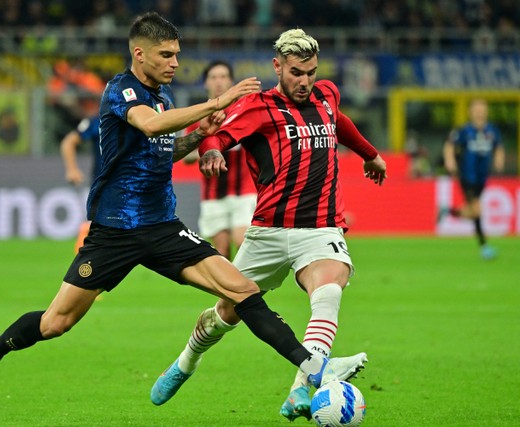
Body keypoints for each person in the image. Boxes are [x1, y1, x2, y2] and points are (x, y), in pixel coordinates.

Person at [0, 13, 367, 403]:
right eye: (166, 55)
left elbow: (165, 149)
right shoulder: (121, 91)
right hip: (114, 231)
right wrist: (217, 103)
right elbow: (148, 124)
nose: (174, 63)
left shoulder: (163, 98)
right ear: (139, 53)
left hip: (163, 227)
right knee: (57, 322)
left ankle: (314, 368)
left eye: (177, 55)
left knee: (243, 291)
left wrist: (201, 135)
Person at [150, 28, 386, 421]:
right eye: (296, 72)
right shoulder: (259, 107)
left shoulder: (326, 95)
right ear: (278, 66)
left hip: (321, 228)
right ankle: (185, 362)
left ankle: (301, 390)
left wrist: (370, 154)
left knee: (329, 289)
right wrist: (210, 153)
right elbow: (218, 137)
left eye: (310, 71)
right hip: (268, 232)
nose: (305, 80)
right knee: (227, 312)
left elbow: (338, 122)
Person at [183, 60, 257, 259]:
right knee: (221, 253)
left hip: (244, 191)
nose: (218, 82)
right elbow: (185, 156)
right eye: (213, 77)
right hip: (213, 194)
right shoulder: (198, 116)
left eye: (223, 77)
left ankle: (248, 289)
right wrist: (205, 152)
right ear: (206, 83)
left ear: (231, 82)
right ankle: (232, 290)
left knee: (243, 243)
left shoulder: (243, 112)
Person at [442, 98, 504, 260]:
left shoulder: (492, 131)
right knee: (477, 209)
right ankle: (484, 247)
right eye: (476, 109)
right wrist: (450, 160)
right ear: (470, 112)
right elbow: (449, 145)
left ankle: (449, 212)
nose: (479, 112)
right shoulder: (464, 131)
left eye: (482, 109)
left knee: (473, 211)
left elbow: (499, 147)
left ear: (486, 112)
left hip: (482, 178)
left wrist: (499, 159)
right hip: (467, 176)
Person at [59, 114, 101, 251]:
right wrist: (72, 169)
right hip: (103, 185)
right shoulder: (96, 121)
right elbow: (69, 141)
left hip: (131, 183)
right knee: (103, 228)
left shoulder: (136, 118)